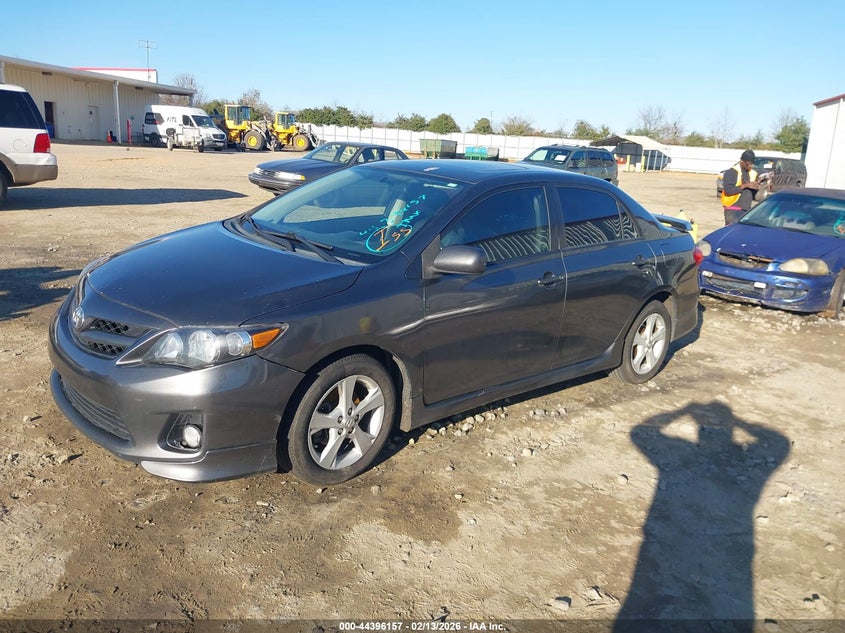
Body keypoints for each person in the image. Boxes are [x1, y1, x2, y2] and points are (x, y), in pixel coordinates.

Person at [721, 149, 760, 224]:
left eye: (752, 164)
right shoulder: (731, 172)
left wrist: (756, 188)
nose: (750, 166)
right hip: (732, 209)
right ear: (742, 161)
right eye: (748, 164)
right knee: (732, 230)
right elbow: (728, 190)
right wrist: (746, 185)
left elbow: (753, 195)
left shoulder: (753, 173)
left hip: (746, 210)